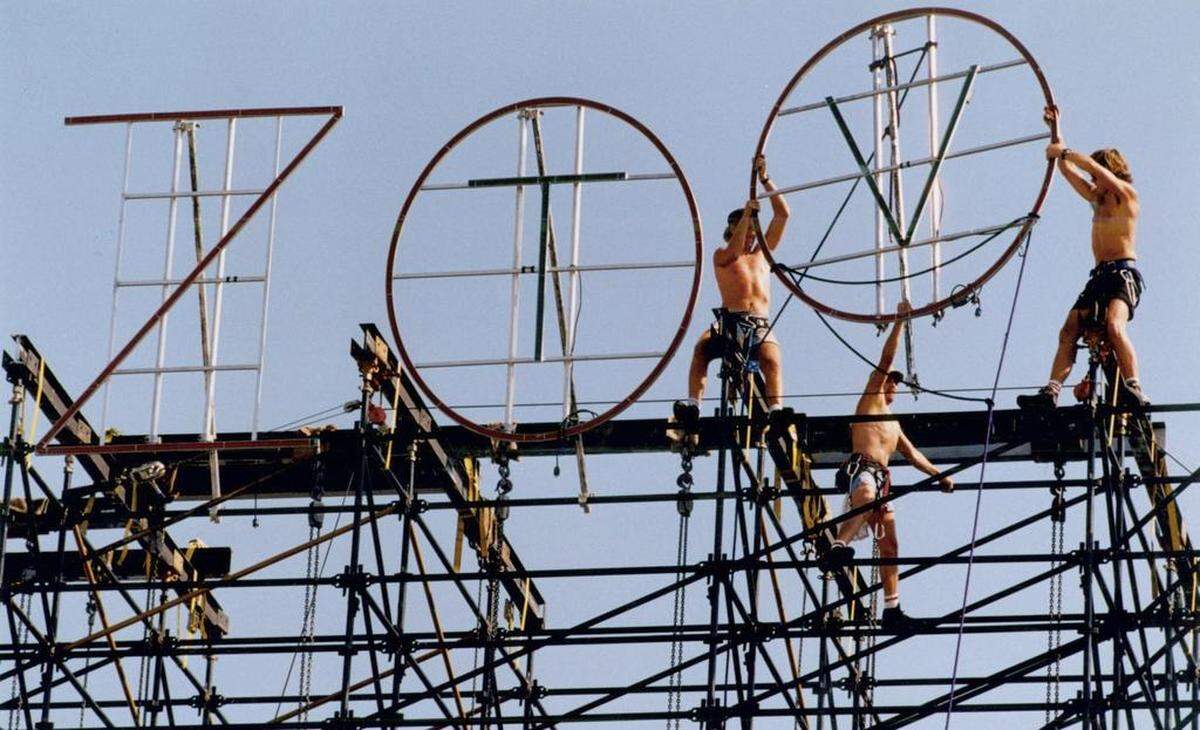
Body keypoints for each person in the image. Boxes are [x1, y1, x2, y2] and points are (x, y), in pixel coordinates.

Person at [821, 302, 954, 632]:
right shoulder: (870, 400)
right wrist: (899, 323)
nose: (892, 384)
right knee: (864, 495)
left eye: (895, 382)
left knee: (890, 542)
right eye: (890, 380)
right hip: (863, 470)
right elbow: (885, 360)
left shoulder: (894, 425)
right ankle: (839, 546)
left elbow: (913, 455)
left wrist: (938, 476)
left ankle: (892, 607)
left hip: (882, 480)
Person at [1018, 107, 1147, 409]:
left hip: (1122, 274)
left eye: (1097, 175)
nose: (1092, 180)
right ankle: (1051, 391)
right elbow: (1065, 169)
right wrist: (1055, 129)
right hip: (1099, 275)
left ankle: (1134, 386)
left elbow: (1089, 166)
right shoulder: (1098, 200)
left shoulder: (1126, 195)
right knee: (1068, 329)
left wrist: (1066, 151)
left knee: (1115, 326)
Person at [674, 155, 790, 428]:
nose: (751, 233)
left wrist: (765, 179)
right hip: (730, 319)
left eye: (753, 229)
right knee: (702, 349)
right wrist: (747, 216)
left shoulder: (762, 254)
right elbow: (734, 251)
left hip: (758, 321)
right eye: (746, 229)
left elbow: (783, 214)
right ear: (733, 229)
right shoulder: (722, 255)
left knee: (772, 359)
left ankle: (775, 409)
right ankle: (693, 405)